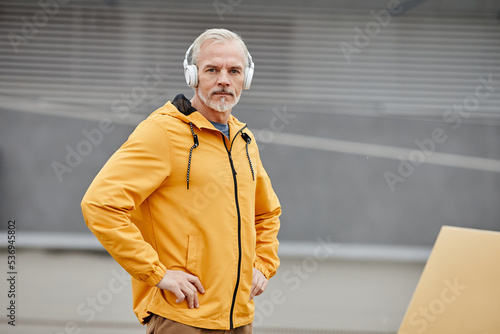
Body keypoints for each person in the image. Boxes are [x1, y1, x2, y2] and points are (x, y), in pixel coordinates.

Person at [81, 28, 281, 333]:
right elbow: (100, 205)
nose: (224, 79)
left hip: (239, 318)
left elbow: (266, 213)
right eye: (212, 70)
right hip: (182, 316)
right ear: (193, 76)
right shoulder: (161, 133)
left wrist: (263, 264)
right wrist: (157, 273)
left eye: (234, 71)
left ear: (246, 78)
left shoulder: (244, 140)